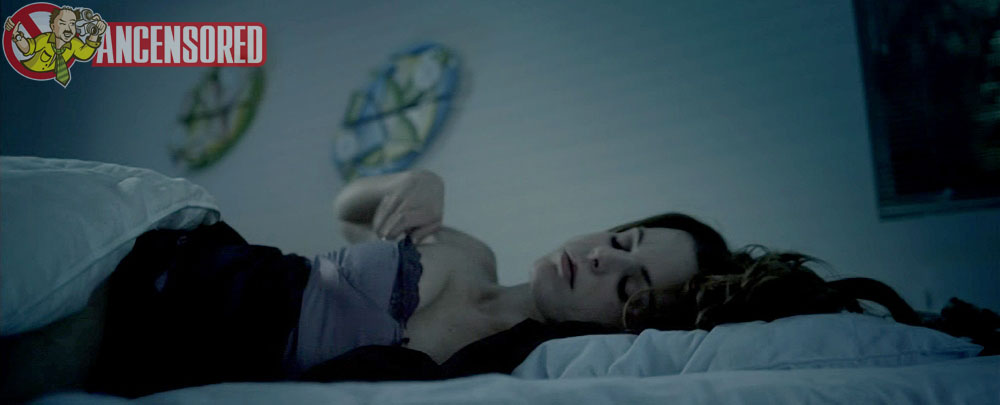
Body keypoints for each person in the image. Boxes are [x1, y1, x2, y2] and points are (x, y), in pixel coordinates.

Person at [87, 169, 997, 397]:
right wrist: (416, 180)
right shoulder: (469, 251)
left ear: (626, 330)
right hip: (175, 269)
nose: (601, 257)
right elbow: (349, 212)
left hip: (152, 352)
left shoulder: (503, 372)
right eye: (622, 240)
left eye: (629, 285)